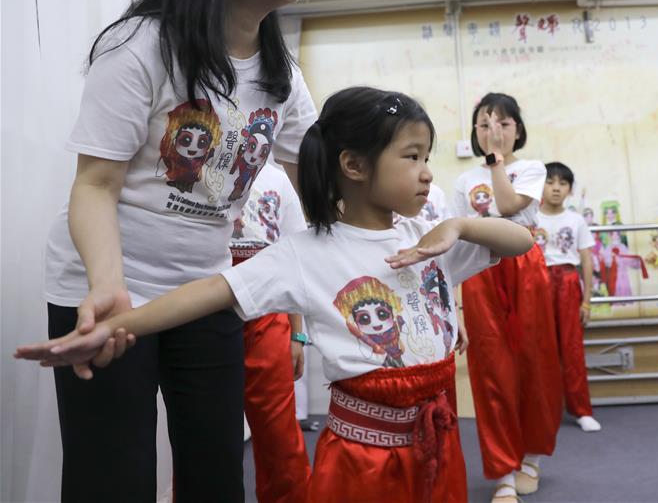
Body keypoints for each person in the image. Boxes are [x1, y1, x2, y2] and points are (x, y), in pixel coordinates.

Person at [18, 87, 535, 503]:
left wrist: (460, 227)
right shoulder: (306, 253)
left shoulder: (429, 239)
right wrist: (112, 325)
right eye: (411, 156)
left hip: (438, 447)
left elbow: (521, 241)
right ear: (354, 166)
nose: (426, 170)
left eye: (427, 156)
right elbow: (209, 293)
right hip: (361, 462)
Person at [38, 0, 317, 501]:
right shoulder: (141, 45)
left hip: (204, 293)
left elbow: (318, 190)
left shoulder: (281, 78)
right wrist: (109, 290)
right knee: (112, 476)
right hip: (109, 284)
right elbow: (94, 184)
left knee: (216, 471)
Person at [452, 93, 562, 503]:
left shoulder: (532, 169)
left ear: (518, 128)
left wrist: (497, 163)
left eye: (502, 124)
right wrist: (456, 307)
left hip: (525, 268)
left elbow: (508, 204)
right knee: (492, 369)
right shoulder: (464, 181)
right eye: (483, 125)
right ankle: (503, 473)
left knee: (536, 362)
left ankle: (531, 455)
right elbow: (457, 237)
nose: (492, 132)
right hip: (481, 271)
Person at [230, 162, 311, 503]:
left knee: (278, 434)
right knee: (205, 432)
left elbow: (295, 262)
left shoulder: (278, 180)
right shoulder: (207, 168)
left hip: (267, 312)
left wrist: (297, 335)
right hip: (208, 310)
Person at [536, 162, 601, 433]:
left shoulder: (576, 221)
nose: (555, 188)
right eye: (550, 182)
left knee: (572, 349)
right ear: (541, 185)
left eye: (562, 184)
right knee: (539, 349)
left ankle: (581, 409)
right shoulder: (530, 218)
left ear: (569, 190)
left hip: (567, 282)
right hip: (536, 283)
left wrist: (586, 300)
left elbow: (586, 261)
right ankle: (543, 410)